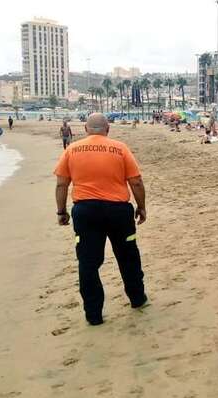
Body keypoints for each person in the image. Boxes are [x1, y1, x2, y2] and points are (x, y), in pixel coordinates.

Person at [53, 113, 148, 325]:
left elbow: (62, 184)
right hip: (118, 211)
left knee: (88, 263)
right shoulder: (120, 148)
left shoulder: (71, 149)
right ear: (108, 129)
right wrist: (141, 207)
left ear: (86, 129)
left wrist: (61, 212)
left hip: (86, 211)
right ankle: (137, 299)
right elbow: (136, 181)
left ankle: (93, 314)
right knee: (128, 256)